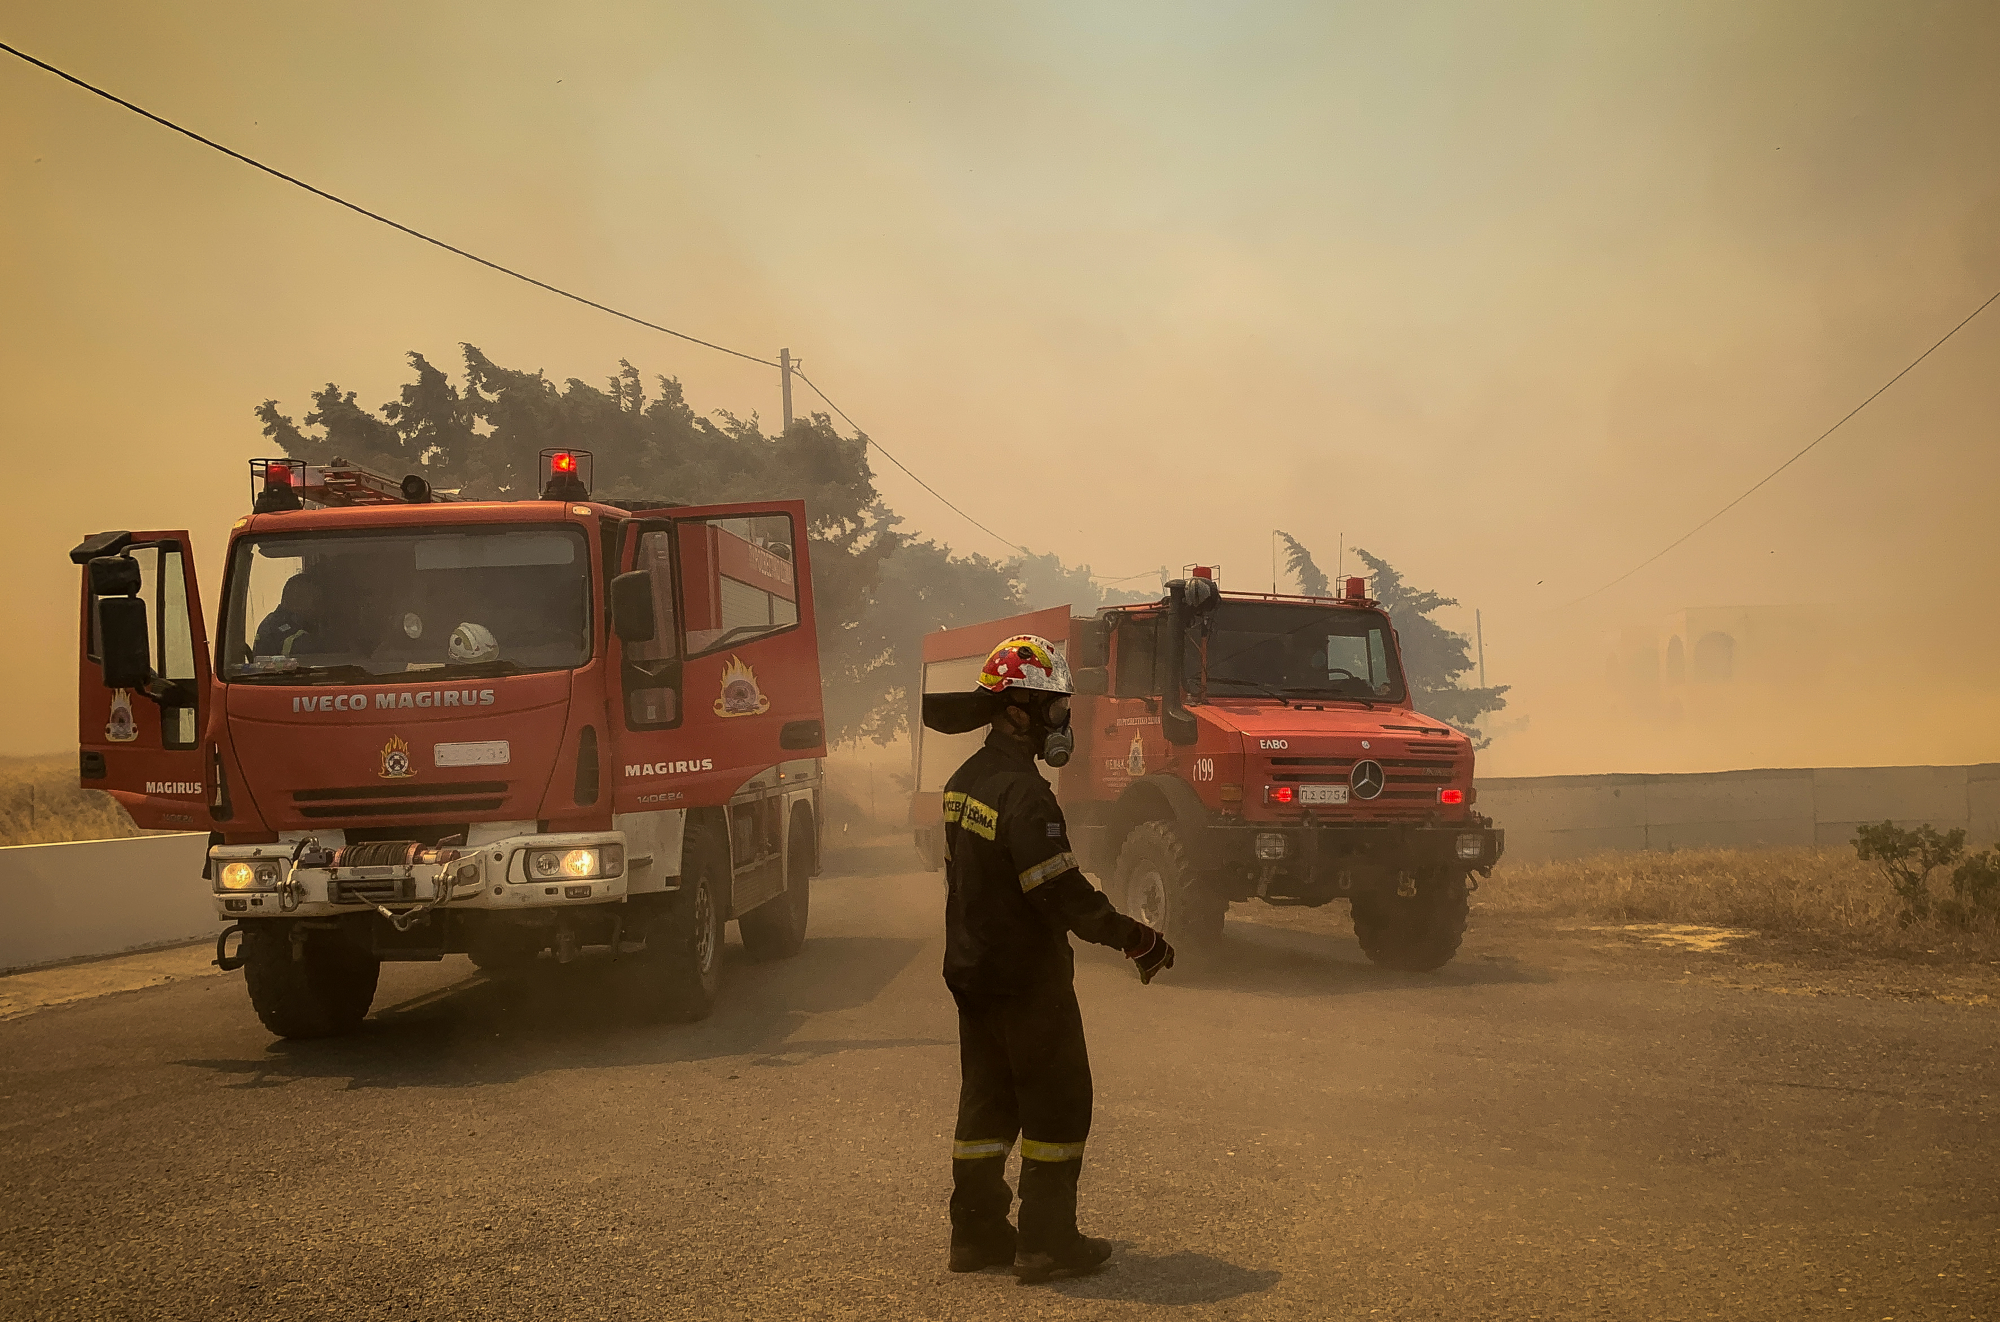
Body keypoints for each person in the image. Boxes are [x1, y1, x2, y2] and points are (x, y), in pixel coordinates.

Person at [922, 634, 1176, 1284]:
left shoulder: (963, 783)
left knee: (986, 1104)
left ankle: (976, 1237)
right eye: (1056, 708)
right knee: (1058, 1104)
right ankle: (1046, 1243)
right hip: (1026, 980)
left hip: (973, 973)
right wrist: (1134, 936)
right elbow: (1057, 891)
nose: (1064, 721)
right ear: (1017, 712)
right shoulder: (1025, 795)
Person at [253, 574, 326, 658]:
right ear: (296, 599)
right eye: (315, 601)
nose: (320, 607)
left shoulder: (271, 621)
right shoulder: (294, 635)